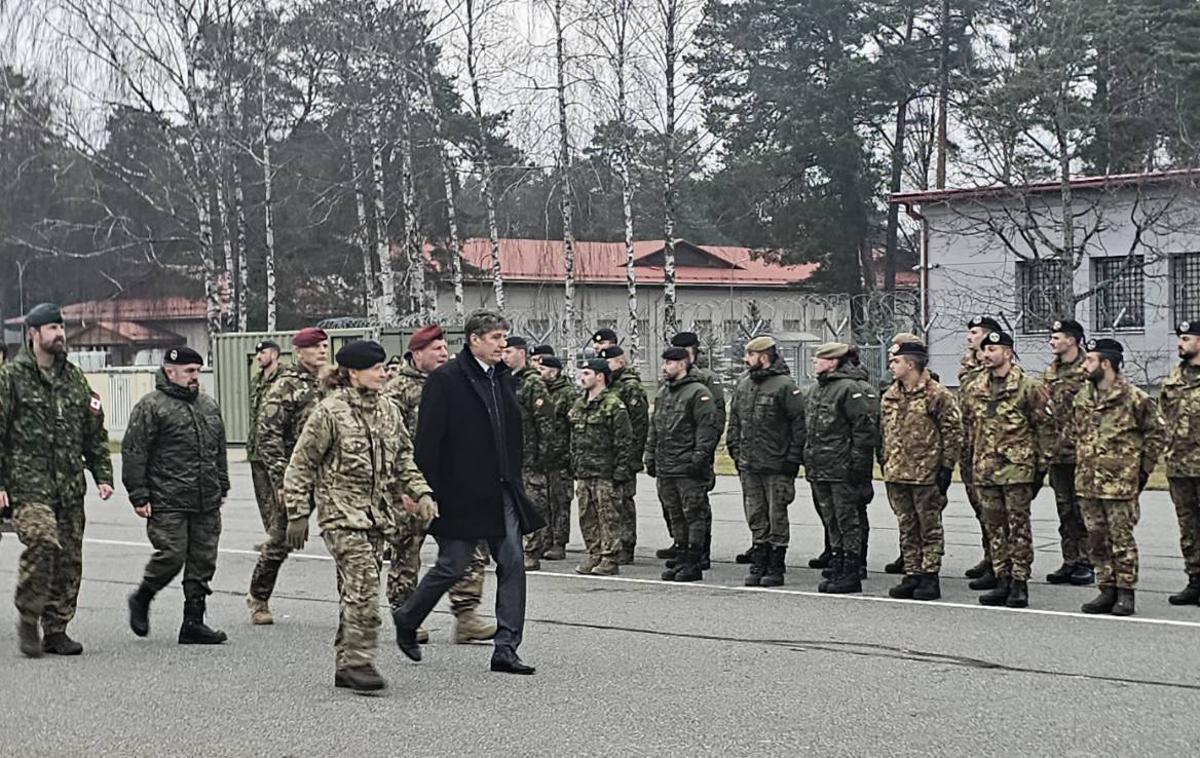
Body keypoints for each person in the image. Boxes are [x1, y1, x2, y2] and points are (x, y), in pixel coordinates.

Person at [392, 310, 545, 676]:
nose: (502, 345)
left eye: (504, 338)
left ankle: (506, 648)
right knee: (453, 565)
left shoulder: (502, 379)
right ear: (474, 340)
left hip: (502, 489)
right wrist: (422, 490)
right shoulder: (446, 381)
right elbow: (428, 441)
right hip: (460, 491)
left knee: (512, 563)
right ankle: (407, 617)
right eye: (495, 338)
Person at [286, 340, 436, 692]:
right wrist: (297, 513)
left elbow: (403, 460)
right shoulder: (329, 412)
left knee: (352, 590)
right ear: (353, 372)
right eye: (375, 368)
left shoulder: (388, 411)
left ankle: (344, 664)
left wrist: (422, 492)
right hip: (341, 515)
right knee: (365, 584)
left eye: (384, 367)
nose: (383, 373)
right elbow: (302, 464)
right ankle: (359, 661)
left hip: (376, 517)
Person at [0, 303, 114, 658]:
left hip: (68, 487)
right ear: (33, 334)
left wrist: (102, 474)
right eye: (51, 329)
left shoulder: (74, 378)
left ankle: (57, 628)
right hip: (27, 484)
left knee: (69, 559)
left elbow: (92, 430)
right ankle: (28, 615)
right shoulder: (11, 378)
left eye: (61, 328)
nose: (60, 334)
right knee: (43, 542)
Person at [382, 324, 494, 644]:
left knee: (468, 548)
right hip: (412, 486)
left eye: (445, 348)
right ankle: (407, 614)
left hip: (453, 484)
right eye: (436, 349)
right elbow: (391, 445)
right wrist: (403, 489)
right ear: (417, 354)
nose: (444, 354)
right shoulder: (396, 391)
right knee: (407, 551)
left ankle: (467, 615)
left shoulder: (456, 383)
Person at [124, 347, 229, 644]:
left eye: (198, 371)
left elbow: (218, 447)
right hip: (167, 497)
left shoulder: (208, 405)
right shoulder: (152, 406)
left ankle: (193, 622)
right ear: (170, 372)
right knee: (171, 554)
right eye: (189, 371)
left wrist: (222, 482)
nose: (196, 377)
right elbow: (134, 452)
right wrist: (138, 494)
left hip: (205, 497)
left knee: (203, 560)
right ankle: (142, 598)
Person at [1071, 339, 1165, 617]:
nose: (1085, 365)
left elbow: (1157, 433)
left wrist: (1143, 470)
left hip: (1119, 483)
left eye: (1090, 360)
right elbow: (1078, 433)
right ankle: (1106, 588)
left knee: (1121, 540)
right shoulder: (1083, 397)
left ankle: (1126, 592)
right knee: (1096, 540)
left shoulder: (1134, 397)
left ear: (1106, 364)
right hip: (1088, 482)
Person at [960, 330, 1049, 608]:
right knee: (994, 528)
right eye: (984, 351)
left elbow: (1044, 430)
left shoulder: (1028, 387)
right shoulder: (975, 387)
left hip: (1016, 470)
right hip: (985, 470)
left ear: (1008, 353)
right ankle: (1002, 578)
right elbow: (968, 428)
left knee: (1018, 528)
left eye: (993, 350)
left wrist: (1039, 469)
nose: (986, 355)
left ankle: (1019, 582)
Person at [246, 326, 328, 625]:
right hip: (297, 475)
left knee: (347, 538)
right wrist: (282, 481)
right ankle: (258, 596)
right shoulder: (284, 386)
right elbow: (269, 436)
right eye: (314, 346)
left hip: (330, 476)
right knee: (280, 540)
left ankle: (355, 605)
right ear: (298, 351)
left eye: (324, 345)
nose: (321, 351)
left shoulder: (330, 383)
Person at [880, 341, 962, 601]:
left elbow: (953, 432)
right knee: (907, 525)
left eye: (896, 362)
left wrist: (946, 467)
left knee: (929, 527)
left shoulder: (937, 394)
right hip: (897, 472)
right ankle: (912, 572)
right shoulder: (891, 394)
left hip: (926, 472)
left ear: (911, 364)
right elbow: (885, 432)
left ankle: (930, 575)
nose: (891, 366)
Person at [726, 336, 805, 587]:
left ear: (763, 357)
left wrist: (792, 458)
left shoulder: (784, 385)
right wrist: (736, 452)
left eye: (750, 355)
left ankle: (776, 563)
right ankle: (759, 556)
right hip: (750, 463)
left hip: (776, 463)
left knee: (776, 513)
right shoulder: (744, 384)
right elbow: (735, 421)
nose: (746, 359)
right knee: (756, 514)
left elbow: (798, 425)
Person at [804, 342, 877, 594]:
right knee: (831, 519)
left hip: (841, 467)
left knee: (847, 519)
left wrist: (858, 466)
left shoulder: (849, 389)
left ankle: (852, 568)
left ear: (833, 362)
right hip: (820, 467)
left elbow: (863, 430)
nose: (815, 362)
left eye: (820, 358)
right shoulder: (816, 390)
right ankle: (838, 561)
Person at [646, 347, 722, 583]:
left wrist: (697, 459)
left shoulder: (698, 393)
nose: (665, 367)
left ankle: (694, 559)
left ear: (683, 364)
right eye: (665, 362)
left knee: (694, 514)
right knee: (675, 513)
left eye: (670, 363)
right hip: (667, 466)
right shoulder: (664, 393)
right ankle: (681, 553)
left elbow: (706, 430)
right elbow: (655, 427)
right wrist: (650, 455)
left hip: (687, 467)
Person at [660, 331, 725, 568]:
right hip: (671, 459)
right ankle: (682, 546)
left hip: (693, 456)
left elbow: (713, 420)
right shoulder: (667, 386)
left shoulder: (704, 381)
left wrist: (702, 455)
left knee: (695, 506)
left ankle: (699, 551)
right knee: (674, 507)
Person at [568, 359, 634, 576]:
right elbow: (574, 438)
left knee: (609, 517)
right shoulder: (580, 404)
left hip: (606, 472)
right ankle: (594, 553)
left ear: (600, 376)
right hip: (585, 472)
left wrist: (620, 472)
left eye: (587, 373)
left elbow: (624, 441)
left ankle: (610, 558)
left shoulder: (614, 405)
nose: (582, 377)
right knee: (587, 516)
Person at [1041, 319, 1093, 586]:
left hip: (1083, 453)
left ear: (1072, 340)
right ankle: (1070, 560)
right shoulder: (1051, 372)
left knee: (1084, 509)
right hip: (1058, 453)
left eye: (1057, 337)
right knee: (1065, 509)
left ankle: (1087, 561)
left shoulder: (1089, 369)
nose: (1052, 341)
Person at [502, 335, 555, 571]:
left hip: (530, 456)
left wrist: (542, 457)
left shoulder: (533, 383)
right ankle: (516, 548)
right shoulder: (503, 380)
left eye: (508, 352)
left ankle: (533, 550)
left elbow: (545, 423)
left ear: (521, 353)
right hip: (510, 456)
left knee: (533, 503)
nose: (504, 356)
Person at [960, 316, 1001, 589]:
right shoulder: (968, 365)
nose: (969, 337)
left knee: (995, 512)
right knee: (979, 508)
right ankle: (989, 556)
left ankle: (1000, 563)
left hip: (991, 449)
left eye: (974, 333)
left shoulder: (997, 369)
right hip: (969, 446)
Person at [599, 345, 649, 564]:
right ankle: (611, 544)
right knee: (609, 503)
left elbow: (638, 425)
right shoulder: (609, 385)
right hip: (608, 456)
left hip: (625, 455)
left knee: (624, 502)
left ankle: (627, 545)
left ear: (620, 361)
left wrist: (632, 457)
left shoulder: (630, 387)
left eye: (609, 362)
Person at [1162, 320, 1200, 606]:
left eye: (1186, 338)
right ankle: (1195, 580)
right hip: (1179, 466)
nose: (1180, 343)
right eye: (1180, 338)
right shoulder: (1173, 379)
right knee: (1187, 527)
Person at [536, 355, 576, 560]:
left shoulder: (567, 393)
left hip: (561, 456)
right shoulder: (540, 391)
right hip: (543, 456)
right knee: (543, 502)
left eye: (543, 368)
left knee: (560, 501)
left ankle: (559, 542)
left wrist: (571, 454)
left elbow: (574, 424)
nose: (539, 372)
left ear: (554, 370)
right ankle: (545, 539)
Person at [247, 339, 281, 536]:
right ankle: (272, 536)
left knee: (280, 495)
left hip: (276, 448)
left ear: (274, 354)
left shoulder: (284, 379)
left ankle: (280, 537)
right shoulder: (256, 380)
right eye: (257, 353)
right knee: (263, 496)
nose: (258, 357)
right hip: (256, 448)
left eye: (263, 353)